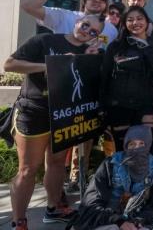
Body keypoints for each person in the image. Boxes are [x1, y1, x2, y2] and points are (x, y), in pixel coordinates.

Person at [4, 15, 104, 229]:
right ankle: (18, 221)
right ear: (77, 21)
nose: (87, 31)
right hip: (35, 111)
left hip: (64, 114)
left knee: (58, 163)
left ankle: (53, 208)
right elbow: (9, 65)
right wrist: (48, 66)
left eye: (93, 31)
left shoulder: (89, 54)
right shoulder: (45, 40)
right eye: (85, 24)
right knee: (28, 169)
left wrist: (90, 61)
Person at [67, 126, 153, 230]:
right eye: (132, 144)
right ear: (125, 146)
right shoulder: (110, 165)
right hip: (107, 219)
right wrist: (117, 221)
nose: (136, 149)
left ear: (148, 145)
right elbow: (90, 203)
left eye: (141, 144)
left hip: (138, 220)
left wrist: (138, 221)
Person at [102, 6, 153, 149]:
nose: (135, 23)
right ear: (124, 23)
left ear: (147, 21)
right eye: (130, 19)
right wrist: (103, 106)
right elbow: (105, 76)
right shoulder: (116, 46)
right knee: (122, 147)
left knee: (145, 147)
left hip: (149, 106)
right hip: (120, 106)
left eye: (139, 18)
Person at [20, 0, 117, 48]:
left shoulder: (112, 30)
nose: (97, 1)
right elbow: (29, 6)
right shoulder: (64, 16)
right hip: (62, 71)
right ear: (84, 1)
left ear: (106, 5)